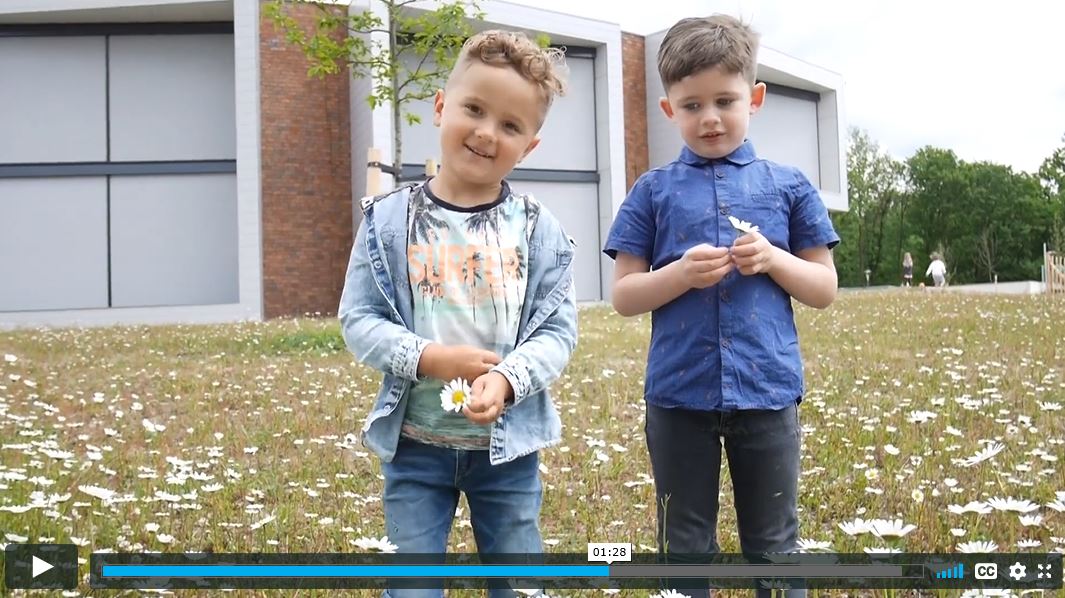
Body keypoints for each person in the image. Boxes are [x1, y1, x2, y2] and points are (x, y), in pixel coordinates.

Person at [602, 14, 840, 598]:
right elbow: (625, 296)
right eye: (691, 105)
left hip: (767, 391)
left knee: (775, 542)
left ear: (754, 98)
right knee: (683, 545)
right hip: (679, 395)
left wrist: (774, 260)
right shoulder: (651, 191)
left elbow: (823, 288)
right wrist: (679, 274)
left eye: (725, 100)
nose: (709, 118)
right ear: (668, 110)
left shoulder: (788, 185)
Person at [338, 30, 576, 598]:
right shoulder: (388, 222)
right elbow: (359, 319)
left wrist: (508, 378)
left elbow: (558, 331)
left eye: (511, 125)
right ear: (441, 107)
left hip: (508, 451)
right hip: (416, 446)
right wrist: (430, 357)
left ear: (530, 146)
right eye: (474, 109)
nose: (487, 133)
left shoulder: (538, 229)